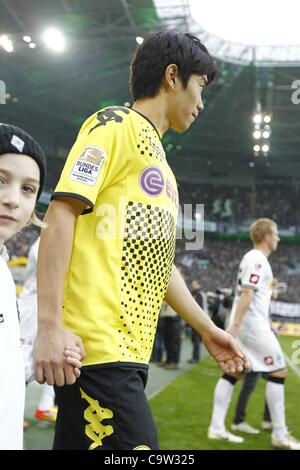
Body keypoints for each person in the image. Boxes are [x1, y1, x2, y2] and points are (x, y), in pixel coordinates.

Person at [33, 31, 249, 450]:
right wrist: (49, 326)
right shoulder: (113, 125)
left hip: (130, 354)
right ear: (173, 76)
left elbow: (158, 265)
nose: (202, 103)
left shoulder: (163, 169)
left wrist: (207, 328)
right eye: (200, 87)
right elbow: (61, 213)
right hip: (95, 350)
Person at [0, 123, 82, 450]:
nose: (12, 200)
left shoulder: (3, 266)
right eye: (0, 180)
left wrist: (36, 360)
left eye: (28, 189)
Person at [208, 218, 300, 449]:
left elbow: (254, 294)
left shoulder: (256, 260)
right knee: (279, 371)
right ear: (267, 236)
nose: (278, 238)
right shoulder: (257, 260)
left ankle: (216, 427)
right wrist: (235, 327)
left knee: (237, 372)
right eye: (276, 234)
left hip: (252, 323)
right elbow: (247, 293)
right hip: (251, 325)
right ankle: (279, 433)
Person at [19, 237, 57, 423]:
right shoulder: (46, 239)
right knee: (21, 359)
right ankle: (14, 411)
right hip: (31, 306)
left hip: (43, 306)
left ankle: (45, 406)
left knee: (55, 353)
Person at [189, 280, 207, 363]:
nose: (192, 286)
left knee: (196, 340)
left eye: (194, 285)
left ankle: (196, 358)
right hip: (198, 320)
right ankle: (194, 357)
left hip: (198, 321)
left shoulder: (199, 294)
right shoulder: (198, 293)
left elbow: (198, 308)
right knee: (194, 340)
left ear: (198, 285)